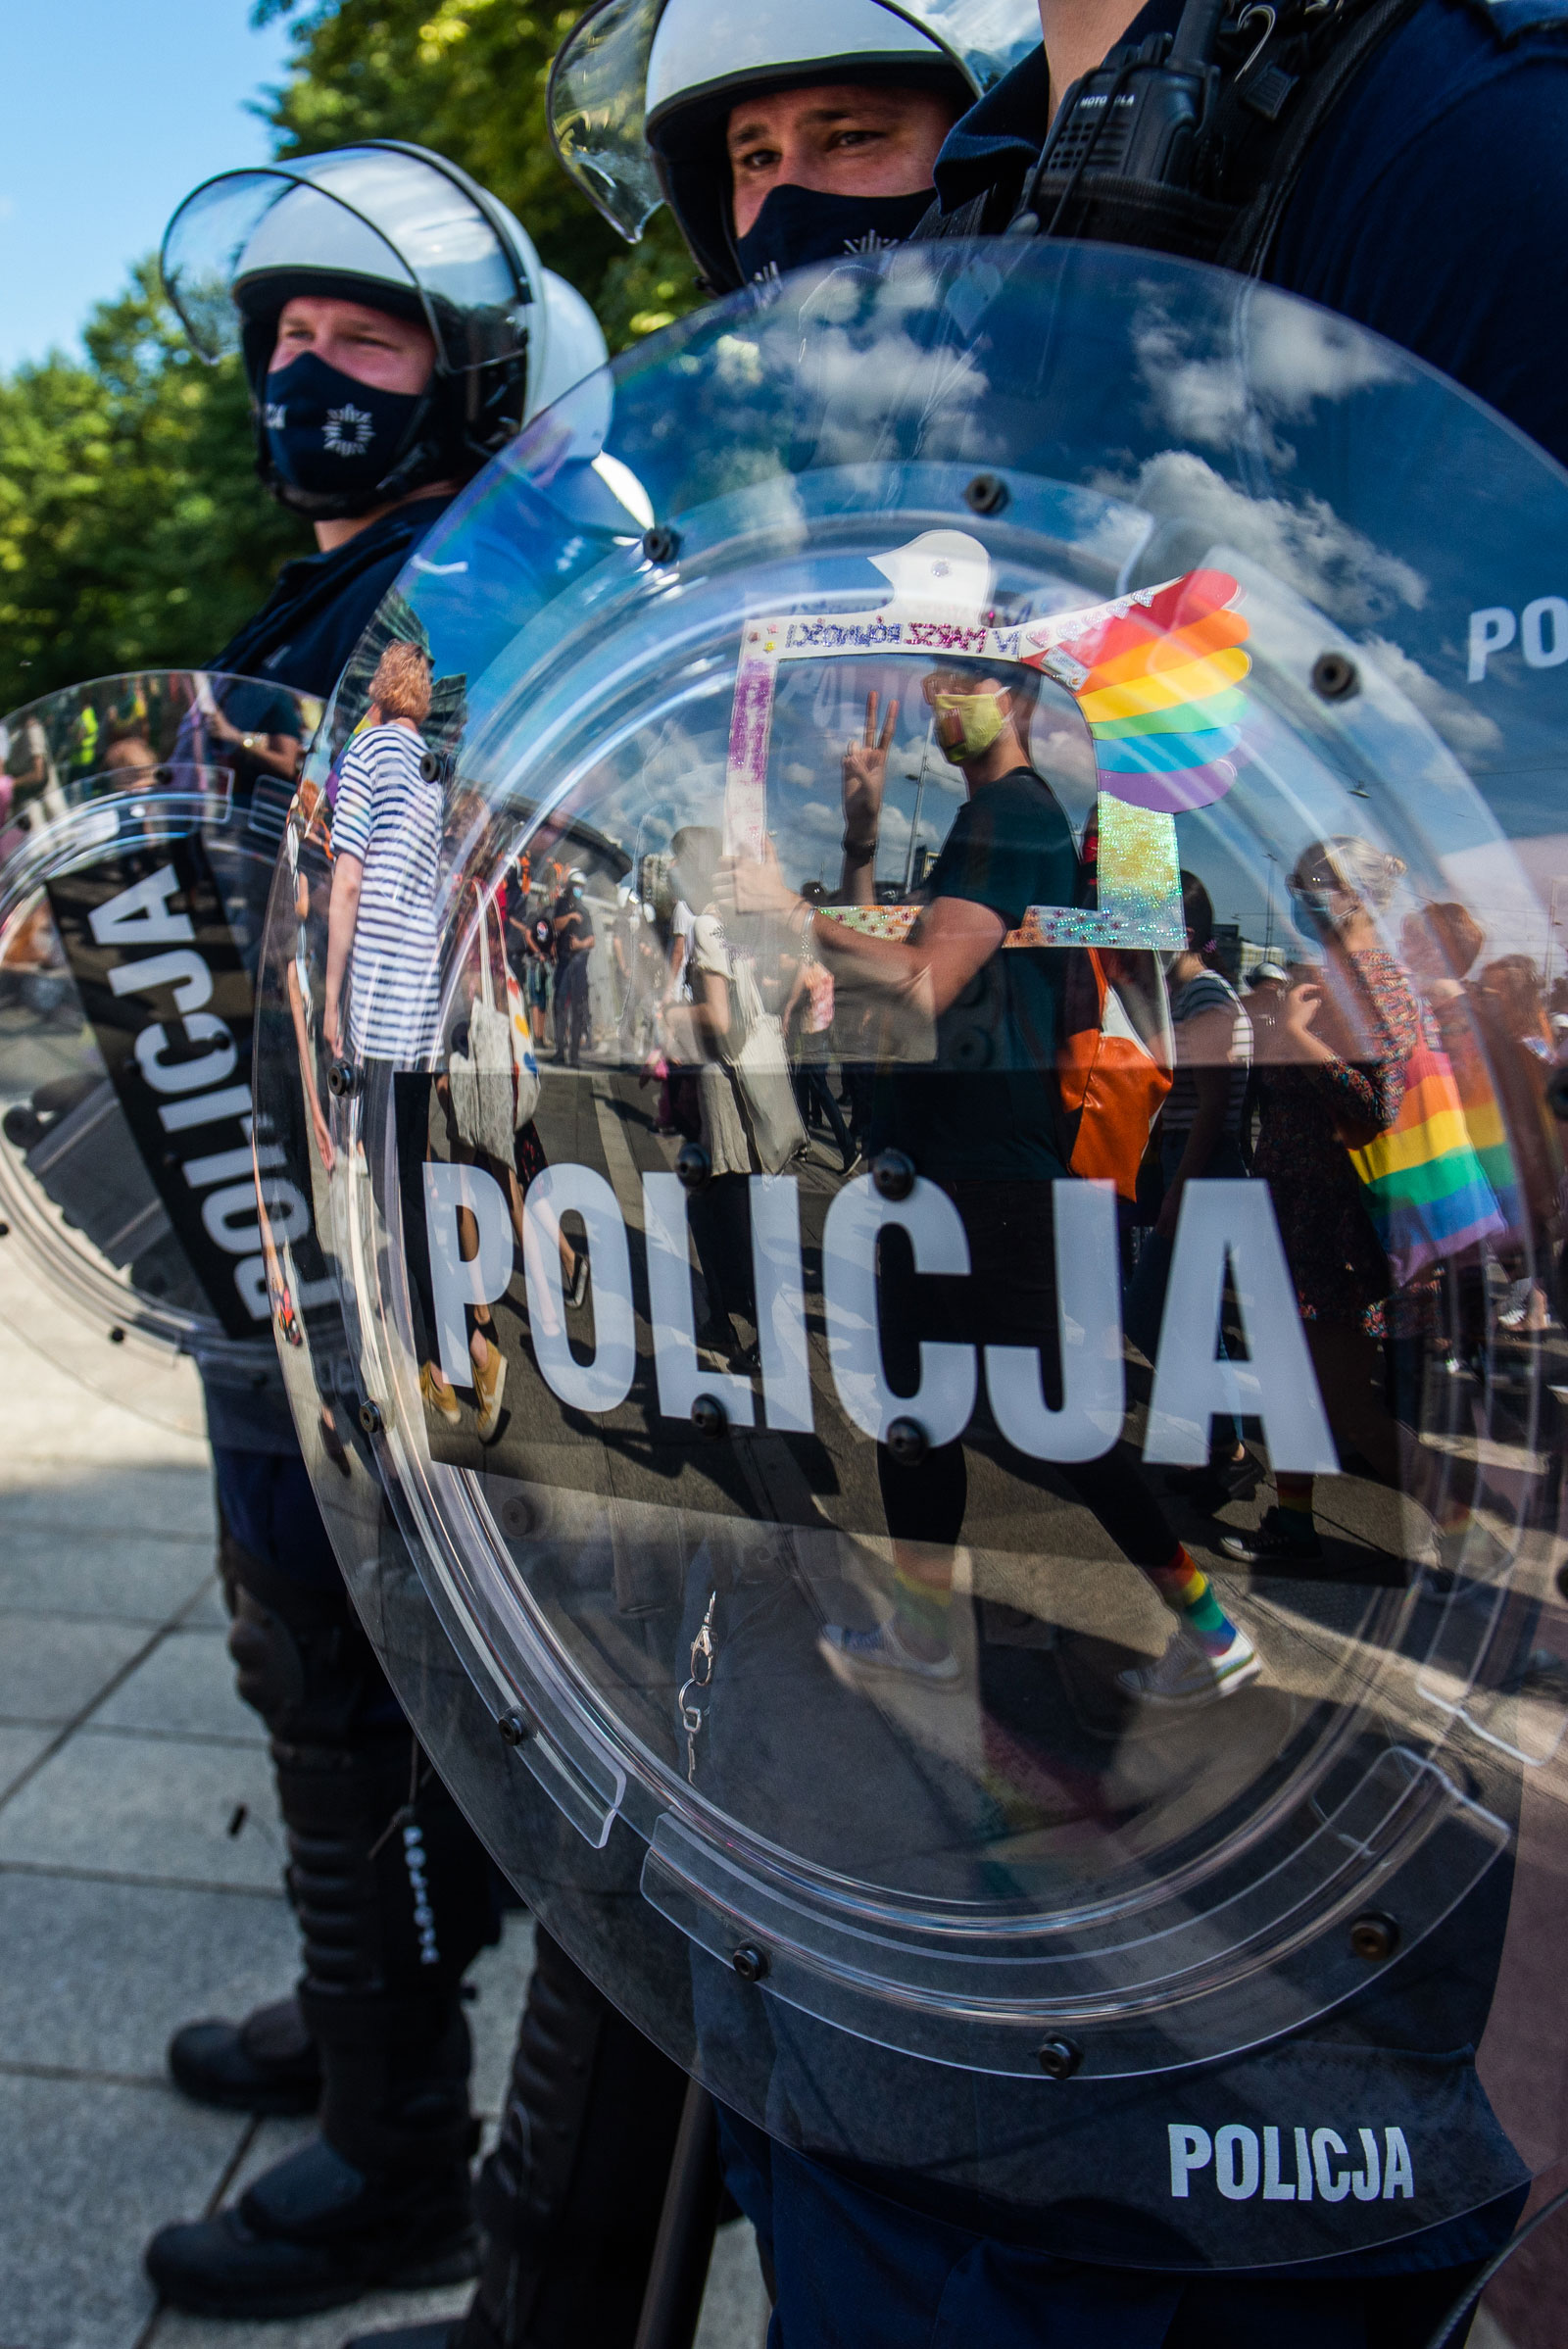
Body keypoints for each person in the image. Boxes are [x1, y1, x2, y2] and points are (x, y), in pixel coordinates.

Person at [140, 145, 612, 2323]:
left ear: (475, 368)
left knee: (361, 1686)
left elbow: (411, 953)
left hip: (387, 1254)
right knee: (309, 1672)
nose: (306, 372)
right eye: (282, 339)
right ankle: (363, 2015)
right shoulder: (323, 599)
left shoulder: (464, 590)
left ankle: (398, 2147)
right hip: (280, 1227)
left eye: (363, 331)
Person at [1124, 870, 1254, 1511]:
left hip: (1202, 1167)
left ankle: (1228, 1443)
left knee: (1150, 1310)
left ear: (1186, 933)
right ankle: (1222, 1446)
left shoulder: (1205, 995)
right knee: (1192, 1318)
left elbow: (1212, 1104)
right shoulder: (1188, 996)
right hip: (1191, 1164)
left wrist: (1179, 1187)